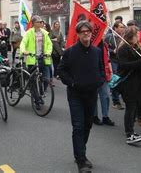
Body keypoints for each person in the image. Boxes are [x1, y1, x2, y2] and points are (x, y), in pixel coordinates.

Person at [58, 21, 105, 173]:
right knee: (78, 126)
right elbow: (61, 71)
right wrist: (72, 83)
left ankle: (80, 151)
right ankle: (81, 159)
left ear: (91, 33)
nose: (86, 33)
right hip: (75, 95)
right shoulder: (70, 52)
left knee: (88, 125)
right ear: (78, 34)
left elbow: (101, 69)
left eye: (88, 31)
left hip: (91, 94)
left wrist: (100, 80)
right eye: (82, 31)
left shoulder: (96, 52)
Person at [117, 27, 141, 144]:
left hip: (137, 82)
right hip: (128, 83)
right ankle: (129, 133)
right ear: (132, 36)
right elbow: (123, 65)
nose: (139, 36)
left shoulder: (136, 46)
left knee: (134, 107)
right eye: (137, 34)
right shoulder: (123, 48)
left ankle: (131, 130)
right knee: (130, 108)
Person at [19, 15, 53, 110]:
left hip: (43, 58)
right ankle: (37, 100)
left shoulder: (44, 33)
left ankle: (40, 94)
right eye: (39, 22)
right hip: (32, 59)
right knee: (33, 80)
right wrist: (24, 51)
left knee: (45, 79)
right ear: (34, 23)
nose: (41, 23)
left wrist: (48, 52)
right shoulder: (29, 33)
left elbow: (49, 44)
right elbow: (23, 43)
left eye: (41, 21)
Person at [105, 21, 126, 110]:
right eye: (120, 27)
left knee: (123, 80)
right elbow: (105, 47)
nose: (122, 29)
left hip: (122, 61)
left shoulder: (124, 38)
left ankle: (122, 98)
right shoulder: (109, 37)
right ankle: (115, 101)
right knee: (115, 80)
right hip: (114, 61)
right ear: (115, 28)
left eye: (123, 27)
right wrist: (111, 51)